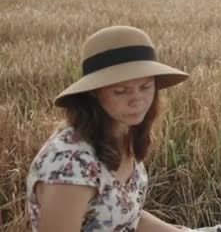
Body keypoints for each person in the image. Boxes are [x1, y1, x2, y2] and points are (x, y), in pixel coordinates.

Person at [27, 25, 190, 231]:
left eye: (146, 87)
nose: (137, 101)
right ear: (94, 92)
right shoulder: (68, 164)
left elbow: (127, 216)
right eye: (120, 91)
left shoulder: (125, 132)